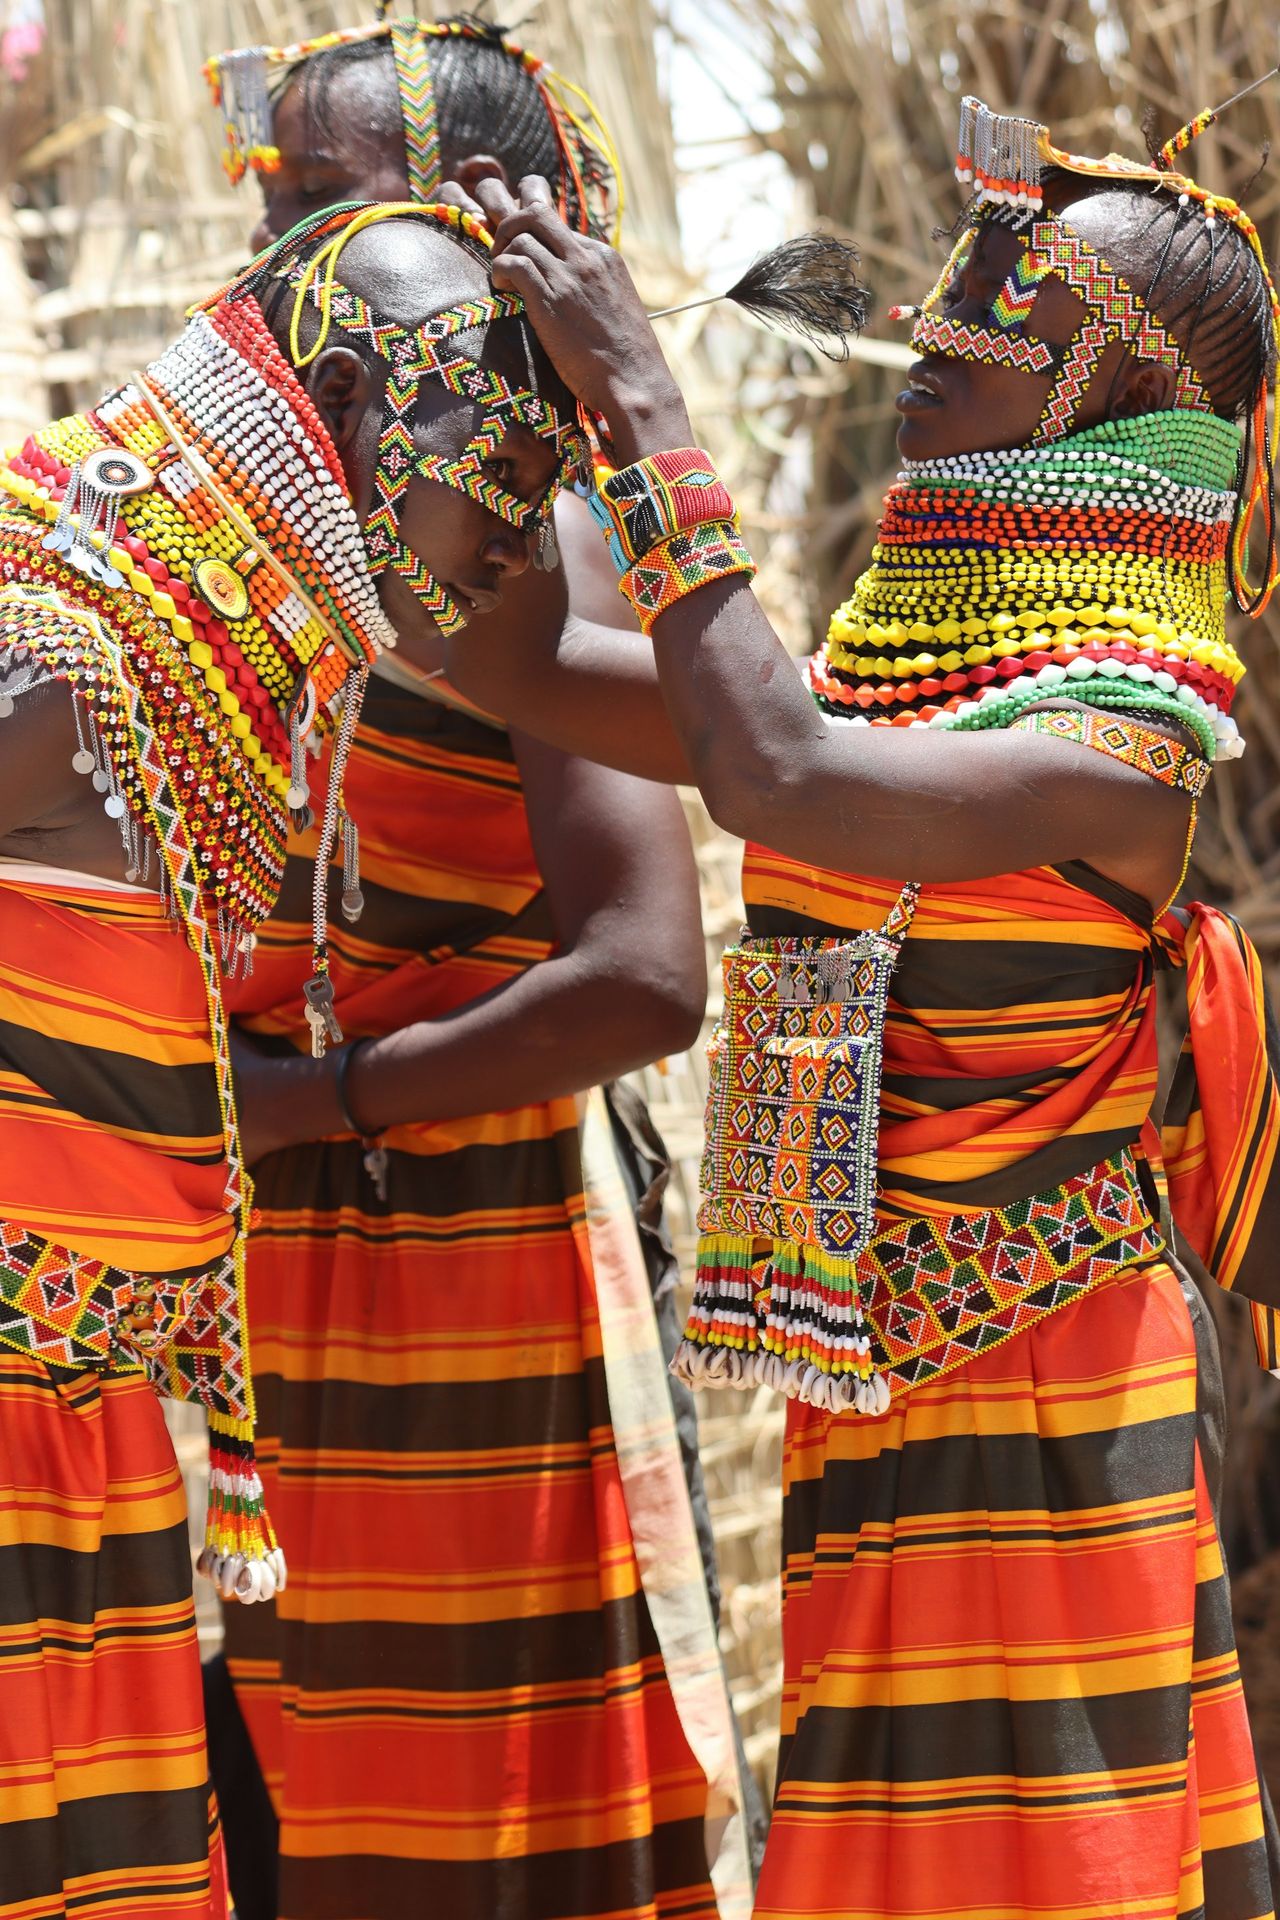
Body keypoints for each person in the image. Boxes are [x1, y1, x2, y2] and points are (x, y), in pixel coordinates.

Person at [423, 99, 1280, 1919]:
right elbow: (492, 656)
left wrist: (654, 406)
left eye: (1009, 300)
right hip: (881, 1392)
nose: (939, 319)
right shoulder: (899, 706)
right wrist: (505, 393)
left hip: (1043, 1407)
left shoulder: (1124, 748)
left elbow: (774, 777)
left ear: (1120, 404)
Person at [203, 17, 755, 1920]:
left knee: (464, 1826)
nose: (284, 271)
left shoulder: (545, 551)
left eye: (331, 213)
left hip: (465, 1274)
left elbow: (645, 976)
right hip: (233, 1264)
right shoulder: (233, 539)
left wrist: (307, 1101)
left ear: (487, 246)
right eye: (269, 210)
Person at [0, 197, 593, 1920]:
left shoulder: (197, 664)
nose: (508, 540)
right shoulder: (74, 651)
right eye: (490, 477)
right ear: (339, 401)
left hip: (81, 1402)